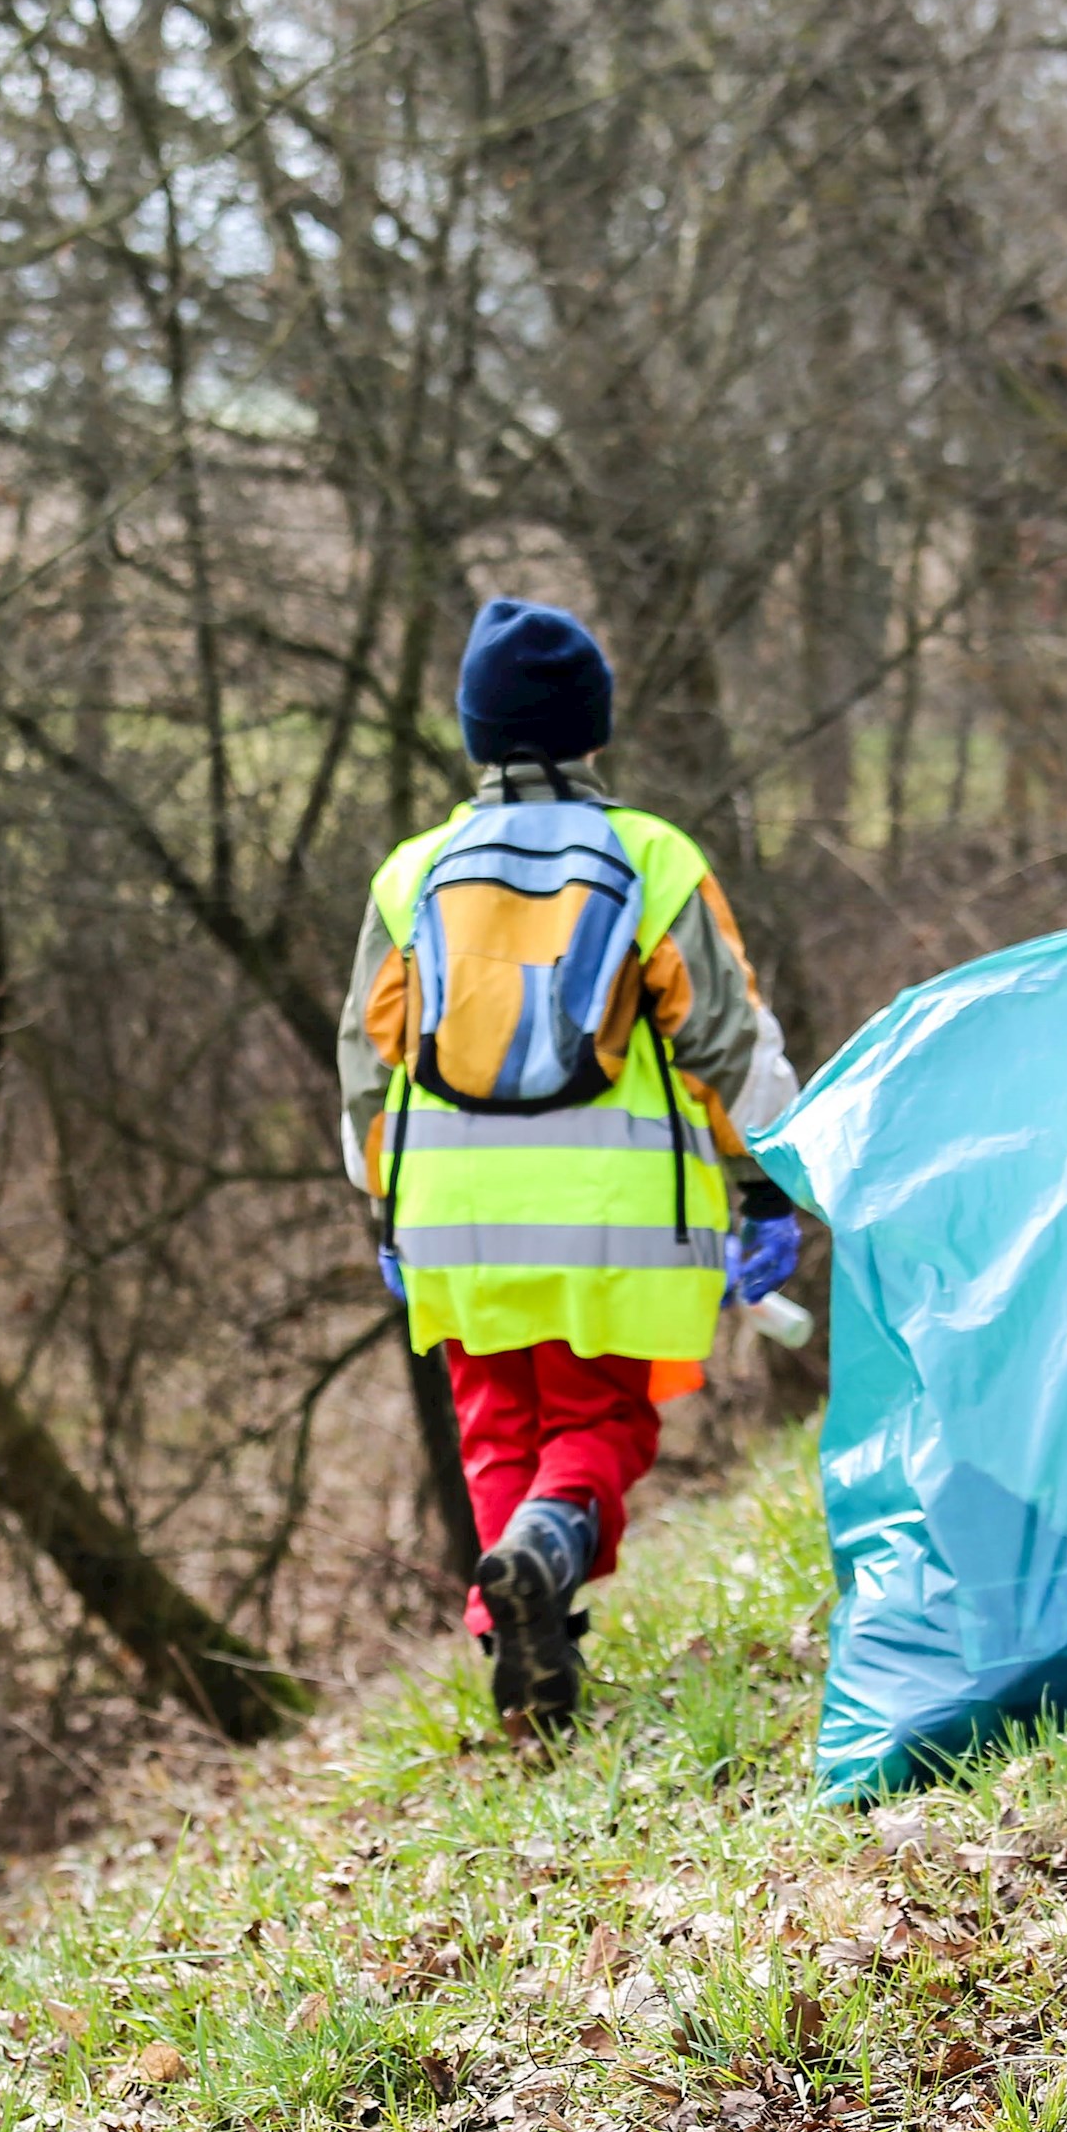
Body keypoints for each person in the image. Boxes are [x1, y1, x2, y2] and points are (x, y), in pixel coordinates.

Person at [341, 599, 800, 1732]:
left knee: (498, 1421)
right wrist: (768, 1178)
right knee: (605, 1421)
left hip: (449, 1214)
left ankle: (525, 1646)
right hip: (614, 1213)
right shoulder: (648, 856)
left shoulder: (412, 874)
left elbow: (366, 1058)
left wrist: (383, 1206)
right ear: (593, 731)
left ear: (473, 735)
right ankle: (547, 1553)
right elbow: (723, 1040)